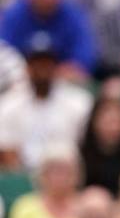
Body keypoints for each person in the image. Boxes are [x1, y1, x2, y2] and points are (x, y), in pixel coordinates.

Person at [0, 30, 94, 169]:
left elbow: (86, 149)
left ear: (56, 66)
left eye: (47, 63)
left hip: (66, 174)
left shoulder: (79, 102)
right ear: (28, 67)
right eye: (36, 63)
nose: (42, 69)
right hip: (22, 177)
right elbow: (7, 151)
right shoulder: (9, 103)